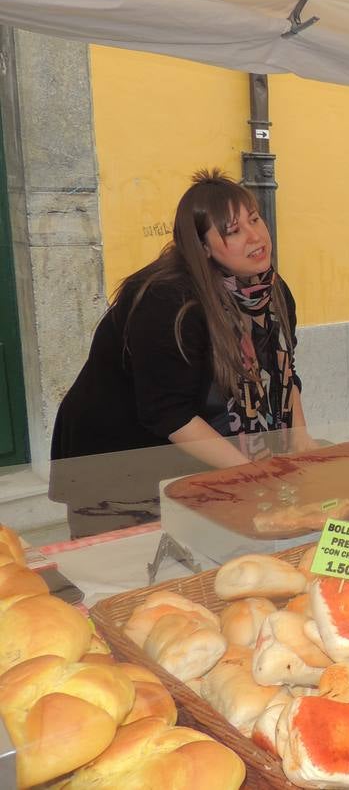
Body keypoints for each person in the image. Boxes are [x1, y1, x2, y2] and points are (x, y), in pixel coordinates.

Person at [50, 169, 314, 537]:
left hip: (195, 442)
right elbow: (168, 413)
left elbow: (283, 371)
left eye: (255, 219)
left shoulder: (270, 291)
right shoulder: (167, 301)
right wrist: (248, 472)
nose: (256, 236)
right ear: (203, 247)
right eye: (233, 231)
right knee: (125, 566)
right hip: (117, 453)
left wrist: (301, 441)